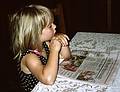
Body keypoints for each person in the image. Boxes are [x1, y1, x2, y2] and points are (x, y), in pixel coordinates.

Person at [9, 4, 71, 92]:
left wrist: (62, 41)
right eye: (50, 26)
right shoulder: (29, 57)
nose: (55, 26)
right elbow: (48, 80)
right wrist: (54, 50)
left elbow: (66, 57)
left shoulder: (45, 43)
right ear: (35, 32)